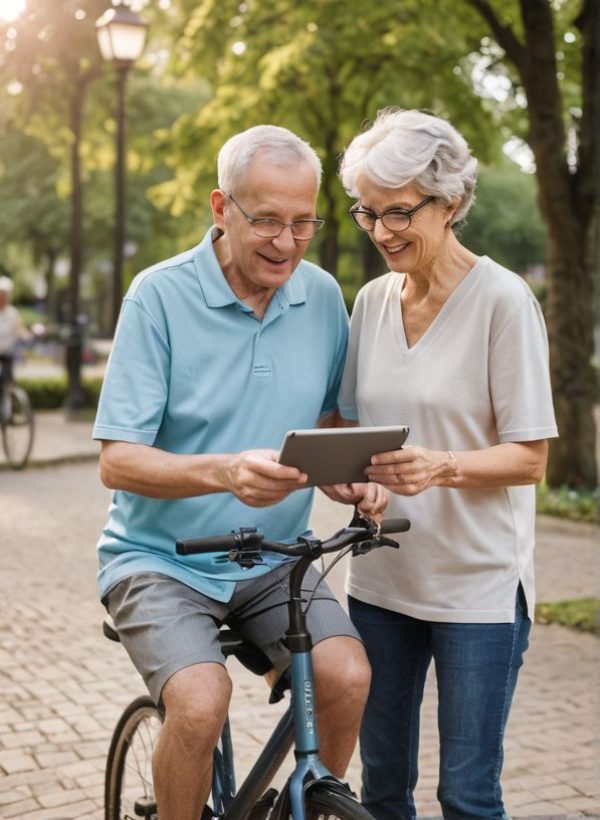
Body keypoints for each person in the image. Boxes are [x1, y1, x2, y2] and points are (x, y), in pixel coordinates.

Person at [94, 124, 385, 820]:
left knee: (348, 676)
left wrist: (348, 473)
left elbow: (328, 424)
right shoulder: (157, 296)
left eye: (303, 222)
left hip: (273, 558)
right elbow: (117, 461)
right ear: (222, 208)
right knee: (200, 704)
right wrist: (224, 472)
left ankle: (309, 807)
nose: (286, 242)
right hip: (159, 560)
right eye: (266, 221)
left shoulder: (322, 296)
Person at [336, 108, 558, 820]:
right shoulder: (371, 302)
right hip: (381, 582)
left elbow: (530, 458)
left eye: (398, 211)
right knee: (382, 787)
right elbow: (352, 428)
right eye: (368, 212)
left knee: (466, 796)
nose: (381, 231)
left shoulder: (503, 301)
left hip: (476, 592)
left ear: (451, 201)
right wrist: (357, 482)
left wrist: (443, 467)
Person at [0, 276, 27, 385]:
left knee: (8, 382)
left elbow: (20, 329)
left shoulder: (13, 313)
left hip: (7, 353)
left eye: (4, 294)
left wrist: (26, 335)